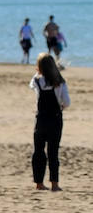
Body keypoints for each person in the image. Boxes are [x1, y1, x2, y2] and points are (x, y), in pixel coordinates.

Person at [30, 52, 70, 192]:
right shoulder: (59, 82)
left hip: (40, 119)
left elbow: (32, 84)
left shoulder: (37, 81)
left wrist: (38, 73)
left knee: (39, 151)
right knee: (53, 152)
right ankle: (54, 183)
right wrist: (61, 107)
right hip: (55, 118)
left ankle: (39, 183)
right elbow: (67, 102)